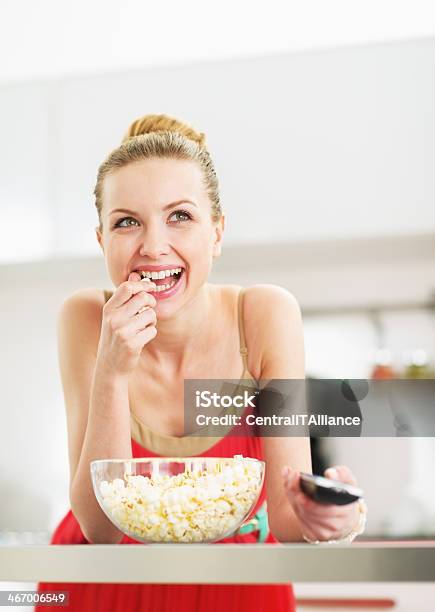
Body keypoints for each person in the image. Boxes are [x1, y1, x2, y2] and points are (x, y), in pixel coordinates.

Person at [36, 113, 366, 611]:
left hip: (237, 589)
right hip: (101, 589)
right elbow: (99, 528)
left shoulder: (264, 315)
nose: (152, 246)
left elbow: (287, 518)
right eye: (127, 222)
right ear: (103, 241)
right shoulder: (85, 317)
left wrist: (327, 518)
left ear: (217, 231)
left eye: (180, 216)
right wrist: (113, 369)